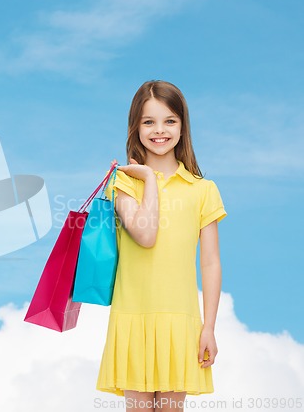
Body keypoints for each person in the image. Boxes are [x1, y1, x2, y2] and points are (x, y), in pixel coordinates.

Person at [96, 80, 227, 412]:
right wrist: (149, 179)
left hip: (180, 321)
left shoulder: (203, 189)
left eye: (169, 121)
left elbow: (210, 263)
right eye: (148, 121)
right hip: (132, 316)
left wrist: (208, 327)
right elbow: (145, 234)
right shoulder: (123, 182)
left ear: (183, 126)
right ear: (135, 127)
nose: (159, 130)